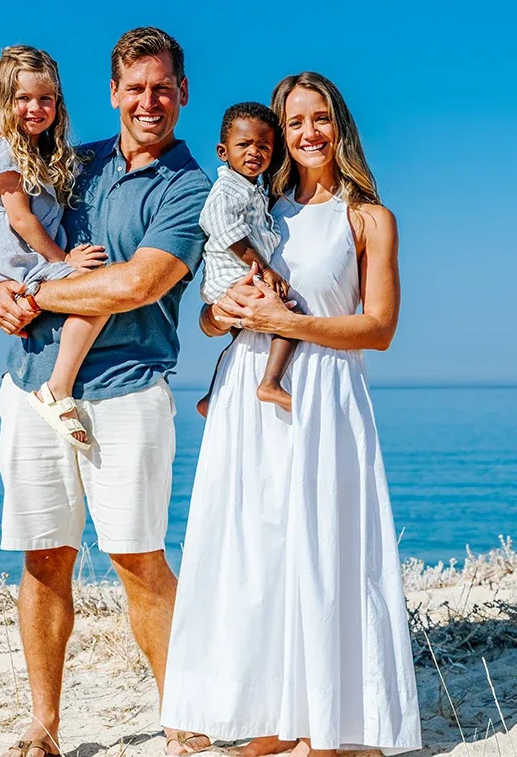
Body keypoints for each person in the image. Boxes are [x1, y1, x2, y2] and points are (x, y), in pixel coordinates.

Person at [161, 71, 421, 757]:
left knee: (326, 549)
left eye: (320, 119)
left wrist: (290, 324)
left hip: (326, 396)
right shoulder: (257, 206)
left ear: (341, 127)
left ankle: (329, 722)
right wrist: (228, 313)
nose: (308, 134)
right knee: (259, 552)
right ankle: (274, 714)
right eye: (294, 122)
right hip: (252, 388)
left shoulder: (369, 217)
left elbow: (379, 328)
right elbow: (215, 316)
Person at [0, 27, 215, 757]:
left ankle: (182, 717)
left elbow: (139, 283)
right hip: (31, 389)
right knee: (44, 558)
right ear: (113, 93)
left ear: (182, 94)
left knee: (137, 557)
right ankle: (45, 724)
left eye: (162, 88)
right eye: (134, 88)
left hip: (127, 391)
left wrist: (41, 296)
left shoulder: (190, 187)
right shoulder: (69, 164)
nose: (149, 101)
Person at [0, 45, 109, 449]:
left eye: (46, 98)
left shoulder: (43, 152)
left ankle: (48, 361)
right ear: (5, 102)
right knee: (98, 293)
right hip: (20, 258)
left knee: (80, 298)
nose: (35, 108)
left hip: (22, 261)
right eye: (23, 99)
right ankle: (56, 388)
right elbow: (22, 219)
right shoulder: (6, 150)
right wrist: (64, 261)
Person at [195, 101, 299, 416]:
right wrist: (266, 270)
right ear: (222, 152)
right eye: (244, 144)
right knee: (289, 320)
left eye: (264, 146)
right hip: (233, 277)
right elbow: (228, 233)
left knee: (241, 344)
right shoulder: (227, 190)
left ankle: (211, 398)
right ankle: (270, 383)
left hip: (238, 276)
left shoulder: (254, 191)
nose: (254, 152)